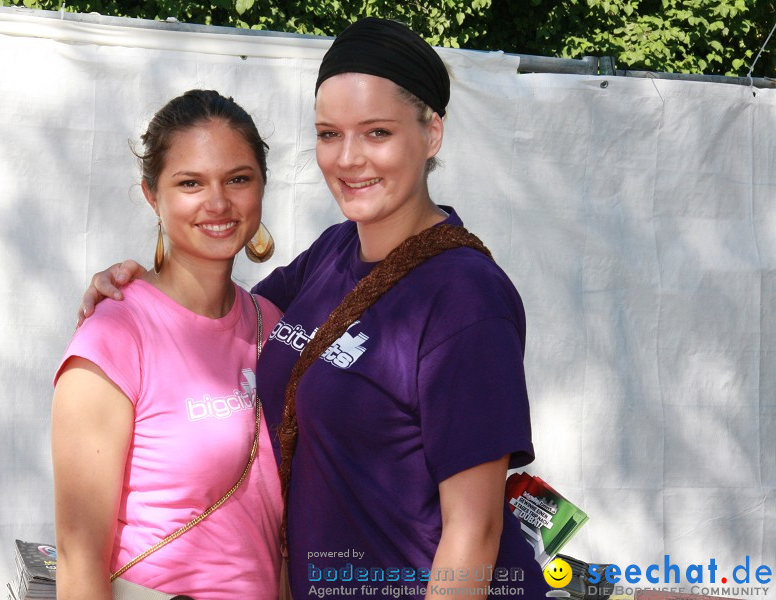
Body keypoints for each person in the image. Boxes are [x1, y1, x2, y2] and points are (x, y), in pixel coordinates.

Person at [77, 19, 549, 600]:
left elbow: (475, 531)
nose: (349, 159)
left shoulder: (465, 297)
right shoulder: (334, 254)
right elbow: (217, 316)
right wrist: (139, 288)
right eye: (329, 134)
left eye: (377, 132)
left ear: (431, 134)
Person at [52, 90, 284, 600]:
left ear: (262, 187)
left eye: (238, 179)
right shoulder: (115, 335)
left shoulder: (275, 325)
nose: (218, 202)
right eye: (190, 183)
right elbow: (77, 557)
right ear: (152, 195)